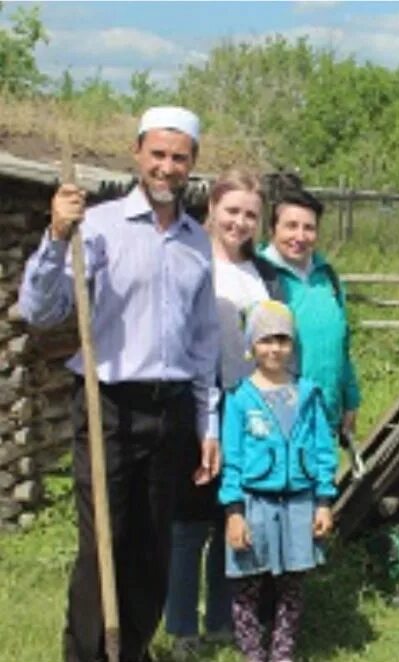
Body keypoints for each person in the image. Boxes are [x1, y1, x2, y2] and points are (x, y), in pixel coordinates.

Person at [18, 106, 220, 662]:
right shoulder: (96, 226)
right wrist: (57, 235)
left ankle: (130, 651)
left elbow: (203, 346)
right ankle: (86, 656)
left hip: (171, 410)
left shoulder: (197, 243)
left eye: (179, 158)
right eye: (157, 154)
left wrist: (208, 425)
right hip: (107, 405)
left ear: (192, 164)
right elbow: (39, 310)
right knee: (102, 545)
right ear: (137, 155)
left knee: (151, 550)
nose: (166, 167)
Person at [165, 168, 284, 658]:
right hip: (193, 404)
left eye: (250, 215)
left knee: (230, 516)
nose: (239, 222)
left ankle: (220, 619)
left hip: (248, 409)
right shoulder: (188, 260)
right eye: (231, 210)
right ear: (211, 209)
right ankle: (181, 627)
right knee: (189, 521)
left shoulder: (265, 275)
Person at [220, 300, 337, 662]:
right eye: (266, 340)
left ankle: (282, 653)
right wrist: (234, 511)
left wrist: (323, 501)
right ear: (252, 345)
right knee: (248, 585)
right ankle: (254, 654)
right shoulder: (240, 399)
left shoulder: (308, 394)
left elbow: (323, 452)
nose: (275, 349)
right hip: (255, 504)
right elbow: (233, 460)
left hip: (300, 504)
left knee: (292, 585)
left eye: (283, 340)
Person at [259, 186, 360, 447]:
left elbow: (342, 346)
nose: (300, 236)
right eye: (291, 226)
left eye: (309, 228)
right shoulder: (259, 277)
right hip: (274, 424)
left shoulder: (327, 278)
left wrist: (350, 400)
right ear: (273, 229)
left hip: (324, 419)